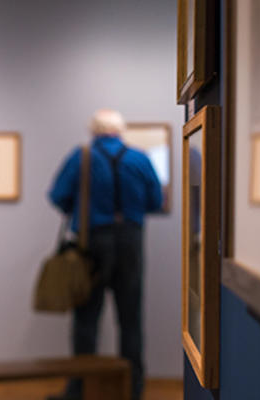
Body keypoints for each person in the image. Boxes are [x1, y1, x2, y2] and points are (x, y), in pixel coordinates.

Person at [47, 109, 162, 400]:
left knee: (86, 319)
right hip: (131, 242)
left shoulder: (82, 157)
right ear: (120, 131)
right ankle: (133, 390)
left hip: (92, 242)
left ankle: (80, 390)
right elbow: (156, 200)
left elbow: (58, 196)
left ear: (94, 131)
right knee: (131, 320)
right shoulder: (139, 158)